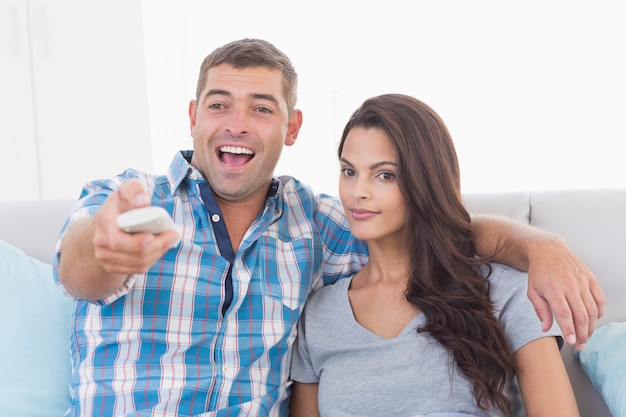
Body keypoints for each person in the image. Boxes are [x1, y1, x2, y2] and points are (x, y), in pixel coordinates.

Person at [54, 39, 602, 416]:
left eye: (261, 108)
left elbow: (430, 230)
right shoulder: (125, 201)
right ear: (193, 115)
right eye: (219, 104)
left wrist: (537, 244)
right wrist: (105, 252)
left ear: (292, 128)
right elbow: (79, 271)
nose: (236, 123)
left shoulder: (317, 224)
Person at [289, 94, 580, 417]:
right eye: (349, 171)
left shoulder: (505, 291)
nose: (358, 191)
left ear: (425, 181)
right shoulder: (318, 315)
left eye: (385, 175)